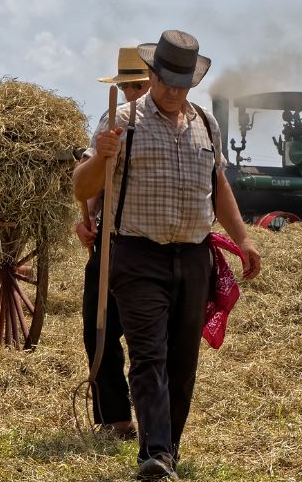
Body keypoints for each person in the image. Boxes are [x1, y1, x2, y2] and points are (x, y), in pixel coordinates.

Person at [73, 30, 262, 481]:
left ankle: (167, 451)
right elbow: (82, 187)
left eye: (182, 84)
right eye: (167, 81)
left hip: (195, 256)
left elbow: (218, 188)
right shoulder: (123, 121)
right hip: (137, 255)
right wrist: (100, 158)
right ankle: (154, 453)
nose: (174, 91)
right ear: (153, 74)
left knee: (182, 361)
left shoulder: (206, 125)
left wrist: (244, 239)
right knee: (149, 355)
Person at [72, 46, 152, 441]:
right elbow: (93, 177)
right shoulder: (111, 119)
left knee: (147, 337)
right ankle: (117, 418)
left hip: (152, 240)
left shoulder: (169, 123)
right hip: (110, 237)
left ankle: (155, 415)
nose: (133, 93)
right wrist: (87, 218)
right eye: (127, 86)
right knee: (97, 328)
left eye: (139, 84)